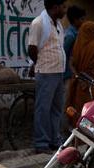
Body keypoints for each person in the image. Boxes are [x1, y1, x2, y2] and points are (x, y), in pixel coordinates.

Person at [27, 0, 68, 154]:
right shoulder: (38, 23)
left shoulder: (58, 25)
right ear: (55, 7)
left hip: (58, 71)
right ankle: (41, 143)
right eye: (63, 7)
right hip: (45, 72)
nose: (65, 10)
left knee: (56, 108)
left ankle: (54, 140)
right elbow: (32, 48)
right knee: (43, 108)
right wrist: (39, 64)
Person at [67, 21, 94, 114]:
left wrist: (77, 77)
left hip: (81, 82)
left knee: (80, 108)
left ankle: (78, 127)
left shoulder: (77, 45)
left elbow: (71, 63)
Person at [63, 5, 86, 84]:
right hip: (69, 74)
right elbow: (64, 55)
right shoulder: (70, 36)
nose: (84, 22)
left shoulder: (77, 33)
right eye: (82, 19)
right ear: (75, 20)